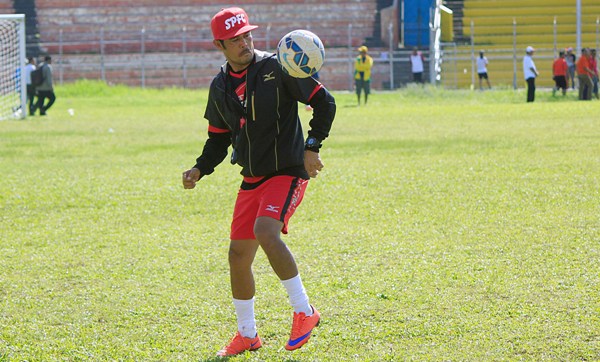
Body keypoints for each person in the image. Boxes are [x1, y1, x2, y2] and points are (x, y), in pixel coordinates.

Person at [181, 7, 336, 357]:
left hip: (287, 171)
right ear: (219, 45)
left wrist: (312, 147)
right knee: (238, 255)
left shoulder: (278, 67)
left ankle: (305, 311)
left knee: (267, 231)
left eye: (247, 35)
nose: (244, 43)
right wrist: (199, 169)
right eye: (235, 40)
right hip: (251, 178)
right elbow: (218, 138)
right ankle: (247, 334)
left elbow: (324, 102)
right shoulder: (219, 86)